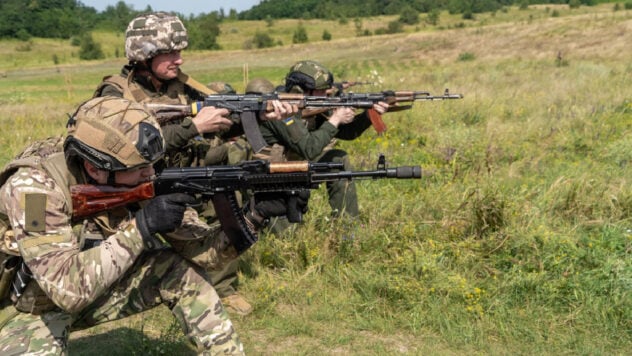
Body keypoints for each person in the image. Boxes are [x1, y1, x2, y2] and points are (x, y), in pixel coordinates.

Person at [0, 97, 307, 354]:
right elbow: (68, 289)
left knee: (177, 270)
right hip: (19, 309)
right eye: (140, 168)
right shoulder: (33, 193)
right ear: (95, 168)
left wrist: (256, 215)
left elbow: (204, 254)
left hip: (76, 294)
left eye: (153, 165)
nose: (151, 173)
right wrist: (142, 227)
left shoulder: (133, 179)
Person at [93, 12, 298, 316]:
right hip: (138, 185)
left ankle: (223, 289)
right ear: (144, 54)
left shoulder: (183, 86)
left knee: (223, 202)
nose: (179, 60)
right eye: (170, 52)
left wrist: (255, 116)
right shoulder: (115, 93)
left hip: (188, 174)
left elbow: (220, 125)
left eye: (180, 52)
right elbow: (125, 144)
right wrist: (193, 128)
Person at [256, 61, 389, 220]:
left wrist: (368, 116)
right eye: (322, 91)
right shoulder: (279, 109)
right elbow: (309, 149)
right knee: (285, 237)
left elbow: (347, 133)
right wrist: (336, 118)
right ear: (301, 91)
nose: (327, 95)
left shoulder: (311, 106)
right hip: (269, 182)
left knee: (338, 159)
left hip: (292, 169)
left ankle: (347, 226)